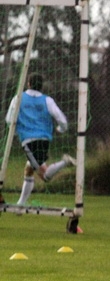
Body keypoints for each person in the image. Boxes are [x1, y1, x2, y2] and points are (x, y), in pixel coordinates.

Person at [5, 73, 75, 206]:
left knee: (45, 176)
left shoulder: (18, 98)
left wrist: (16, 130)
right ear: (41, 86)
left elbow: (9, 119)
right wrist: (60, 129)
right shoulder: (47, 100)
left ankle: (65, 162)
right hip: (44, 140)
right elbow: (62, 120)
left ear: (28, 84)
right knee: (29, 169)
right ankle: (21, 204)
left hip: (28, 141)